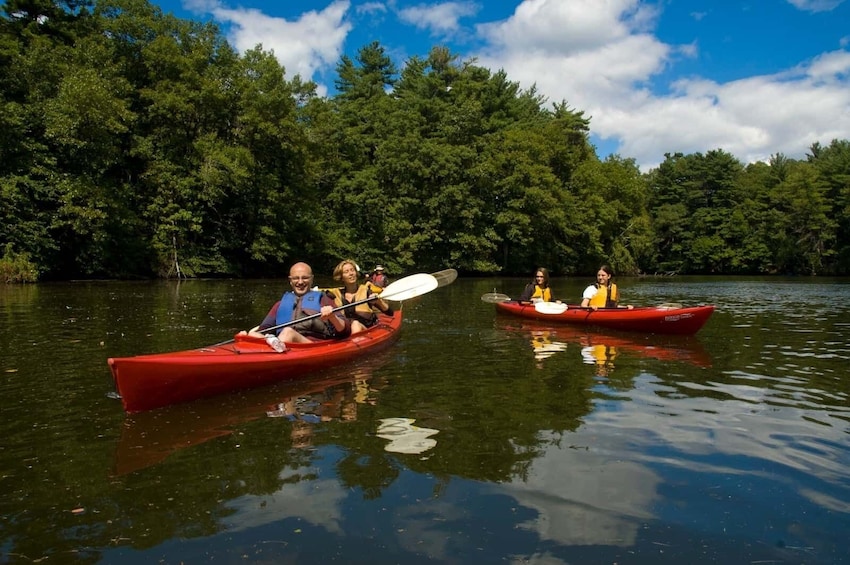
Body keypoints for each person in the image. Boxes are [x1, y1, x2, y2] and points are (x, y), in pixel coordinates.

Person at [240, 262, 351, 345]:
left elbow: (345, 330)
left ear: (312, 279)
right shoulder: (280, 304)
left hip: (312, 346)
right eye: (296, 278)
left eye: (305, 278)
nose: (300, 282)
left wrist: (332, 317)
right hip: (285, 344)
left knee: (288, 332)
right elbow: (263, 330)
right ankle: (274, 346)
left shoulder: (324, 299)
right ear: (290, 280)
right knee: (252, 334)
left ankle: (276, 350)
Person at [327, 259, 393, 334]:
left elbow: (390, 313)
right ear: (341, 277)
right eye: (346, 272)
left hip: (366, 331)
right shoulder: (335, 295)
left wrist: (379, 301)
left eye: (352, 270)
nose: (351, 273)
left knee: (355, 324)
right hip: (346, 332)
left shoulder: (366, 292)